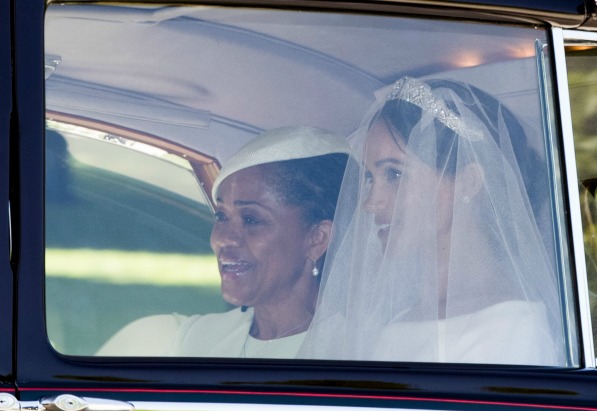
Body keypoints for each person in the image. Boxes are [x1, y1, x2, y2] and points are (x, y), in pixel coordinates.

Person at [301, 77, 566, 365]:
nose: (369, 203)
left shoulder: (514, 325)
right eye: (369, 177)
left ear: (468, 182)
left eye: (395, 175)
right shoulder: (396, 319)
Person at [97, 126, 350, 357]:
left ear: (317, 239)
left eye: (251, 219)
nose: (222, 239)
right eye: (221, 216)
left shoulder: (357, 349)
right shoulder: (188, 340)